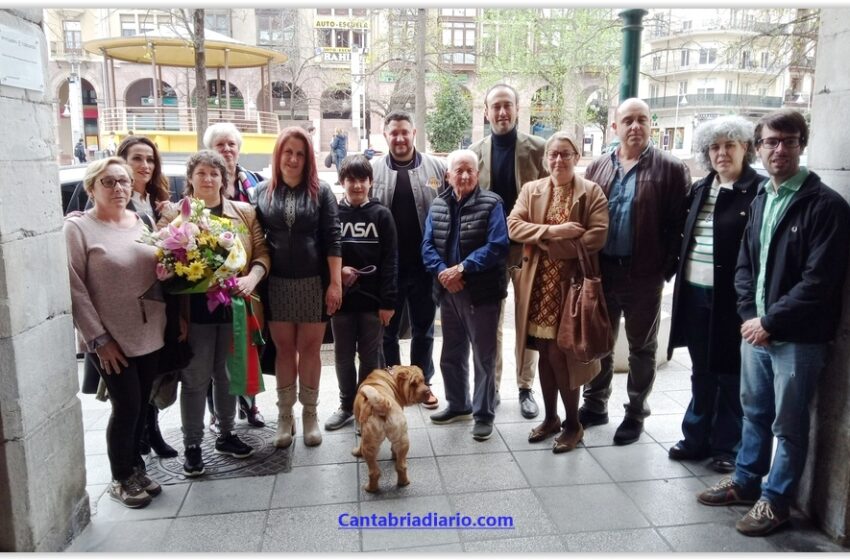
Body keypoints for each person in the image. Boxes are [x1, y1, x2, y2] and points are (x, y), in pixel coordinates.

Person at [697, 110, 850, 537]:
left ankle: (777, 501)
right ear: (759, 146)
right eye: (771, 141)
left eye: (789, 141)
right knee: (754, 412)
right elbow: (746, 266)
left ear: (802, 144)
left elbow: (819, 283)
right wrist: (750, 316)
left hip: (797, 339)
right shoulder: (763, 198)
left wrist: (771, 322)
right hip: (757, 331)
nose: (779, 149)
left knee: (789, 423)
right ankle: (747, 481)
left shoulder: (827, 207)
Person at [579, 97, 690, 445]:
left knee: (643, 347)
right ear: (615, 126)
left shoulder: (670, 169)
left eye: (642, 120)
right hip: (603, 272)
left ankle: (635, 412)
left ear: (650, 125)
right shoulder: (597, 167)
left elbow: (679, 226)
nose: (635, 126)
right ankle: (595, 404)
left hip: (644, 274)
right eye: (628, 120)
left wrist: (664, 269)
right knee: (600, 341)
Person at [64, 157, 166, 508]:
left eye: (124, 181)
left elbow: (157, 271)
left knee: (142, 406)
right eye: (109, 182)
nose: (119, 188)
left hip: (151, 330)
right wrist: (98, 340)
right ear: (92, 187)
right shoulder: (78, 229)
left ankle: (135, 467)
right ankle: (121, 478)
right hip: (111, 339)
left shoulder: (142, 220)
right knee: (126, 406)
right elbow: (74, 288)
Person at [160, 150, 270, 477]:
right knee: (195, 379)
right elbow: (161, 263)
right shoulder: (175, 217)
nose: (208, 179)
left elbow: (262, 252)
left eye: (214, 174)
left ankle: (226, 434)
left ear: (225, 179)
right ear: (190, 179)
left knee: (227, 374)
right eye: (201, 174)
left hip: (235, 309)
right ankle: (193, 445)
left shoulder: (245, 213)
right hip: (193, 313)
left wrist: (252, 277)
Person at [666, 116, 764, 473]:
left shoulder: (757, 190)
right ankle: (696, 437)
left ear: (745, 149)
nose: (721, 153)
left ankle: (727, 446)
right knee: (700, 369)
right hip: (694, 291)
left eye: (730, 145)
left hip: (733, 298)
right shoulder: (700, 188)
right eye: (715, 147)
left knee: (729, 371)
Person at [507, 132, 609, 453]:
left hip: (571, 287)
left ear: (577, 157)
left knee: (561, 355)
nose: (558, 160)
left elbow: (597, 236)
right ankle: (551, 418)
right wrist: (555, 231)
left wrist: (548, 244)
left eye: (565, 154)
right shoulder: (531, 190)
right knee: (542, 353)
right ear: (545, 159)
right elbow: (513, 225)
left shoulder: (591, 192)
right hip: (537, 286)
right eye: (553, 154)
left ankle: (573, 425)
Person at [256, 127, 342, 448]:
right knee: (283, 351)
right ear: (278, 155)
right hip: (276, 284)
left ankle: (309, 414)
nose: (293, 159)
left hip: (313, 284)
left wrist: (335, 284)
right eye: (287, 152)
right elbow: (257, 242)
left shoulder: (322, 192)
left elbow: (333, 239)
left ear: (308, 159)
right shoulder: (262, 192)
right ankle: (284, 416)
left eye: (300, 153)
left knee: (309, 351)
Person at [470, 83, 548, 419]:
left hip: (528, 248)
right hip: (491, 252)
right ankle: (492, 386)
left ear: (517, 110)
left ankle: (525, 387)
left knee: (527, 318)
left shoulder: (538, 150)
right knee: (491, 323)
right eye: (495, 107)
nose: (502, 113)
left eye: (507, 106)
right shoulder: (474, 153)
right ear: (486, 112)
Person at [422, 149, 509, 442]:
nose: (465, 175)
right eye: (458, 170)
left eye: (470, 170)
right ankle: (458, 404)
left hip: (481, 293)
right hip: (449, 293)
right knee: (451, 352)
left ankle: (483, 414)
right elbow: (427, 247)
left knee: (484, 356)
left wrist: (462, 269)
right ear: (448, 175)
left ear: (477, 174)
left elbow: (498, 245)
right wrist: (444, 274)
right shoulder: (437, 205)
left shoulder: (492, 203)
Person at [372, 111, 445, 409]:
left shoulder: (436, 167)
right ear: (385, 135)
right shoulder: (373, 169)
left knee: (423, 329)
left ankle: (422, 384)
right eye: (393, 133)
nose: (399, 138)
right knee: (387, 333)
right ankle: (393, 384)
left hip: (424, 266)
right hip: (388, 270)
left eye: (404, 132)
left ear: (414, 132)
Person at [115, 135, 178, 459]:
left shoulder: (156, 202)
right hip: (128, 309)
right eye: (137, 158)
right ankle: (132, 453)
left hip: (157, 304)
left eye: (150, 160)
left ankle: (151, 431)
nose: (145, 166)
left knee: (156, 375)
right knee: (130, 390)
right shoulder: (113, 202)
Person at [324, 154, 398, 431]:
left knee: (371, 358)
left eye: (362, 180)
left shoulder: (382, 215)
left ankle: (365, 407)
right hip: (340, 302)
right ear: (342, 182)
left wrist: (388, 302)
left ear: (371, 182)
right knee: (342, 356)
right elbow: (324, 254)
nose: (356, 185)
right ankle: (346, 405)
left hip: (372, 302)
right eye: (351, 180)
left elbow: (391, 260)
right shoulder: (332, 215)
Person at [203, 122, 266, 429]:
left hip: (246, 286)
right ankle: (217, 413)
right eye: (220, 145)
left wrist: (254, 275)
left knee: (246, 348)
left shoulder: (254, 182)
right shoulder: (199, 188)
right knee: (213, 358)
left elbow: (261, 237)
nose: (227, 150)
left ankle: (250, 406)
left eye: (231, 144)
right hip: (207, 294)